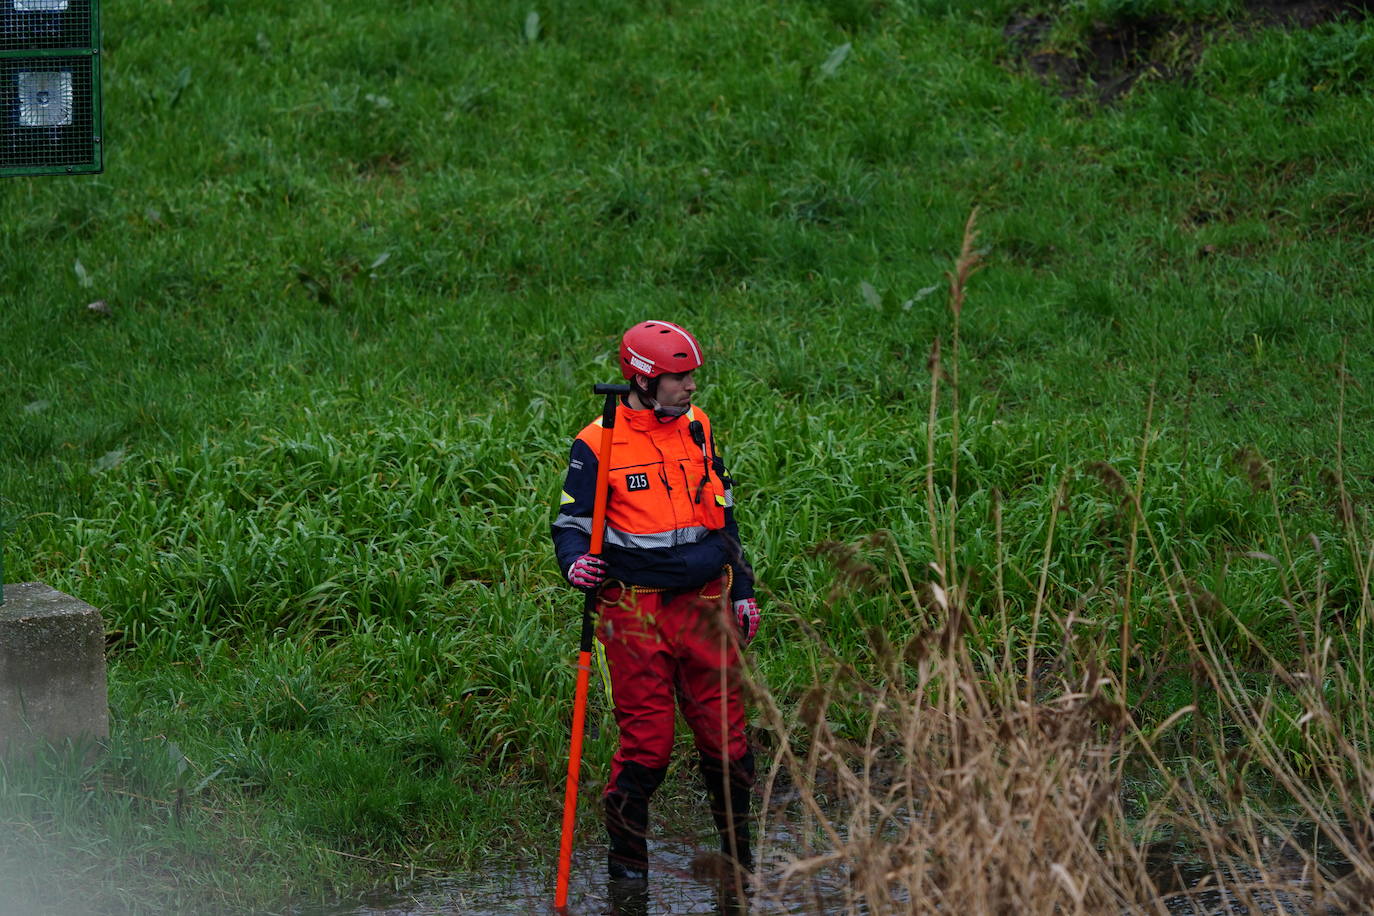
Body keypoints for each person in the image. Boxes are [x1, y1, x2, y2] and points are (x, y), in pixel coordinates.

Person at [551, 319, 761, 885]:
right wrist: (575, 563)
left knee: (729, 740)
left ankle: (740, 867)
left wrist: (743, 588)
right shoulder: (598, 442)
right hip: (635, 614)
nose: (690, 387)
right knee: (648, 748)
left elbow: (725, 512)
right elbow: (571, 524)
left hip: (709, 606)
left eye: (692, 376)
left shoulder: (698, 427)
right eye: (679, 378)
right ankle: (627, 877)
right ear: (644, 378)